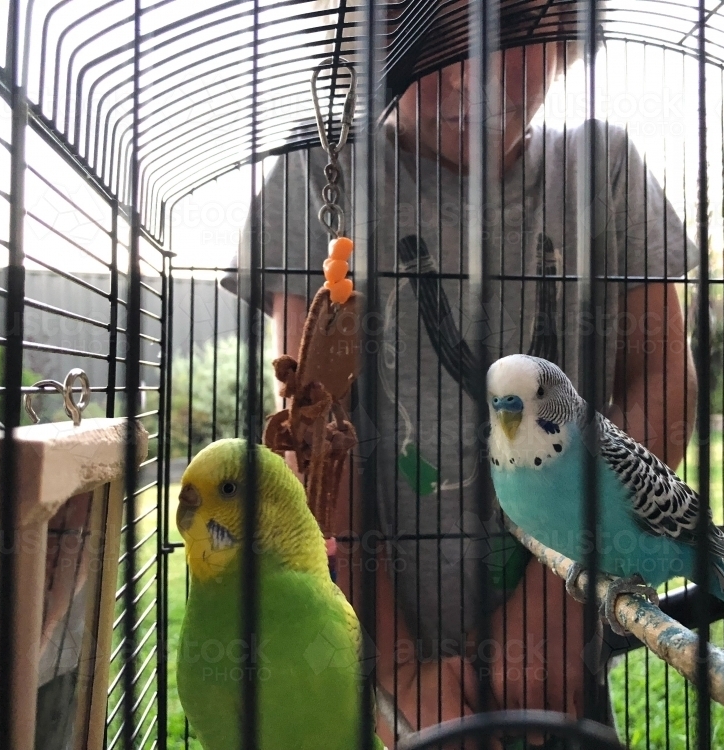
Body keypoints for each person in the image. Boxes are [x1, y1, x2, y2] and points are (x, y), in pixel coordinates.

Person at [224, 21, 698, 748]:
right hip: (368, 652)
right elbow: (312, 436)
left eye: (509, 26)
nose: (466, 75)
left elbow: (662, 382)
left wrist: (553, 608)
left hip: (555, 649)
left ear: (572, 36)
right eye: (430, 33)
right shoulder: (318, 167)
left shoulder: (602, 166)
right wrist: (401, 666)